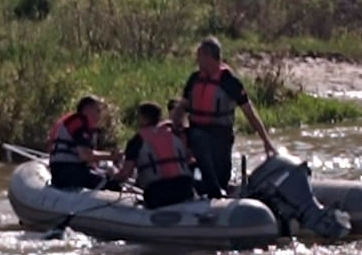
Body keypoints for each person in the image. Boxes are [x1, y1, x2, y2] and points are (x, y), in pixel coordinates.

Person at [170, 36, 277, 199]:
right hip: (197, 133)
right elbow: (182, 106)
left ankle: (211, 192)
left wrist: (266, 141)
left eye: (199, 56)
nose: (197, 61)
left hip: (221, 135)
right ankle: (205, 189)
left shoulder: (229, 82)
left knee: (221, 179)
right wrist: (170, 125)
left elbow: (249, 113)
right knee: (198, 140)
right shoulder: (194, 79)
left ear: (208, 56)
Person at [111, 102, 196, 209]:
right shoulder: (175, 133)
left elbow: (126, 173)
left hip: (158, 192)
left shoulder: (137, 140)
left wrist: (112, 179)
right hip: (185, 187)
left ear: (143, 118)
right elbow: (189, 158)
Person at [47, 95, 121, 191]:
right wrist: (111, 156)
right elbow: (85, 155)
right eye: (97, 111)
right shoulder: (78, 123)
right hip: (66, 171)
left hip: (71, 170)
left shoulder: (87, 128)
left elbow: (87, 159)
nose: (99, 115)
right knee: (112, 186)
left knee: (108, 179)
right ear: (86, 110)